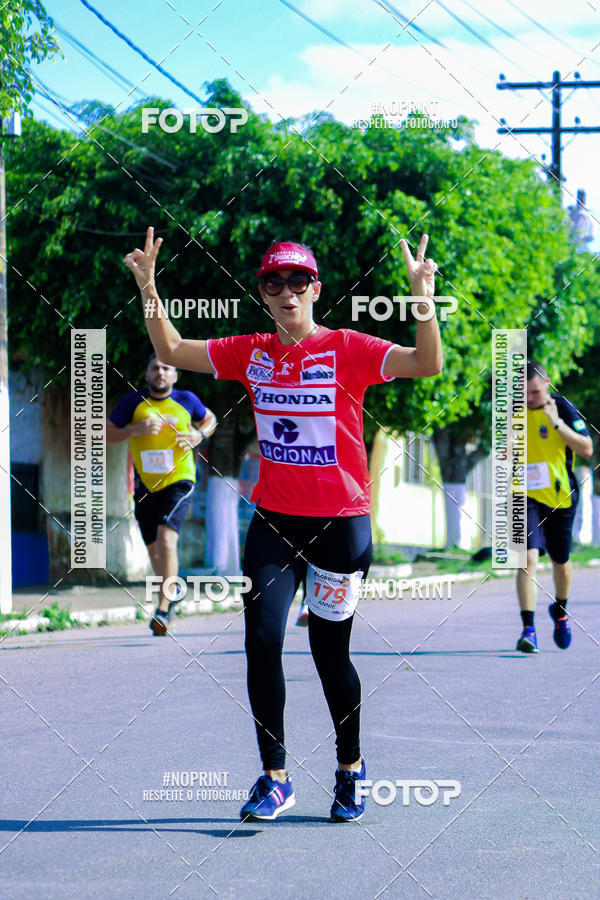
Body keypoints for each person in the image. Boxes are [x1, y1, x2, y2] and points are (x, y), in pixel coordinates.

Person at [124, 227, 442, 822]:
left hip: (340, 526)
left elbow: (428, 361)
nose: (287, 290)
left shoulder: (348, 347)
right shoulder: (252, 351)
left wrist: (422, 300)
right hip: (274, 521)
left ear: (315, 288)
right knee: (262, 640)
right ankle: (275, 778)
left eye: (299, 280)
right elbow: (172, 349)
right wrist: (148, 288)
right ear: (263, 293)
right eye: (275, 281)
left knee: (328, 653)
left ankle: (351, 767)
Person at [106, 354, 216, 635]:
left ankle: (163, 608)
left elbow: (210, 419)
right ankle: (172, 591)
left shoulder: (187, 399)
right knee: (155, 552)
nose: (161, 372)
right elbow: (106, 433)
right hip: (145, 486)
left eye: (166, 368)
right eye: (155, 367)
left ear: (175, 375)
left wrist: (198, 436)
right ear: (147, 374)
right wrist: (136, 429)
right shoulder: (132, 402)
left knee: (167, 539)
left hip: (179, 480)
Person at [516, 360, 592, 653]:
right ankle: (528, 630)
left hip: (560, 497)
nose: (530, 399)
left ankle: (560, 610)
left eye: (534, 392)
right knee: (527, 559)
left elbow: (586, 448)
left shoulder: (563, 408)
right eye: (524, 394)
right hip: (525, 496)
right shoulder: (513, 411)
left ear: (546, 383)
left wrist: (556, 423)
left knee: (560, 561)